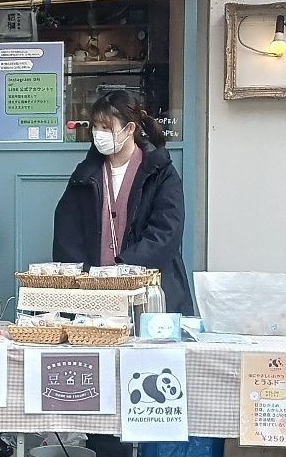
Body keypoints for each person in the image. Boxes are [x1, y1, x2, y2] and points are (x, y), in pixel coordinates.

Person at [52, 89, 193, 314]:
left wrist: (125, 269)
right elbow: (67, 230)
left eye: (106, 128)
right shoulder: (85, 174)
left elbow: (166, 232)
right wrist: (87, 275)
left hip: (149, 292)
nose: (98, 134)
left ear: (129, 129)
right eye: (95, 127)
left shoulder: (160, 173)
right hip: (93, 296)